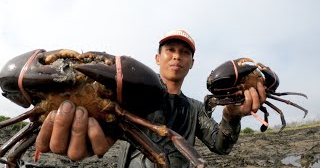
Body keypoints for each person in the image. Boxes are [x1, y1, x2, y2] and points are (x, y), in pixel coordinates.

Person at [35, 30, 266, 167]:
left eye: (185, 53)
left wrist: (231, 117)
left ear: (192, 63)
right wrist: (79, 130)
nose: (177, 56)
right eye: (171, 50)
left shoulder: (195, 109)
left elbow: (220, 146)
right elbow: (102, 127)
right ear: (157, 58)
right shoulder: (128, 95)